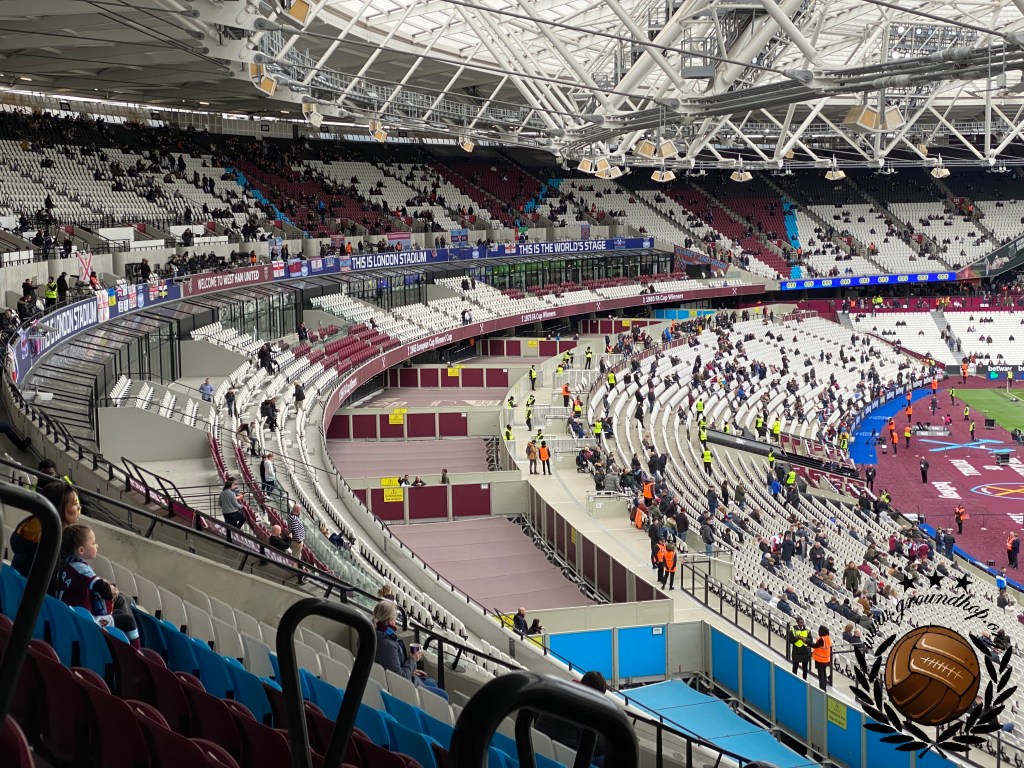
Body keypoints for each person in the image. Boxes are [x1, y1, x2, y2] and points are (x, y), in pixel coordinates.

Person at [52, 524, 141, 648]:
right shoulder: (80, 568)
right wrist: (111, 590)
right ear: (81, 550)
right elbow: (102, 588)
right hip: (84, 621)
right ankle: (137, 653)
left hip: (70, 616)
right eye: (93, 543)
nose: (97, 545)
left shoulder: (66, 565)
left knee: (119, 612)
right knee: (128, 621)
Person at [373, 599, 448, 700]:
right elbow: (400, 678)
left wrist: (412, 670)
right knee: (443, 695)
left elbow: (389, 666)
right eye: (395, 618)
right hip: (404, 690)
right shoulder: (387, 645)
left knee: (432, 683)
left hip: (391, 681)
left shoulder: (372, 634)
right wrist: (413, 659)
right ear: (390, 620)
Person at [10, 479, 82, 577]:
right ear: (58, 507)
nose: (79, 507)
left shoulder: (31, 529)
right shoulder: (47, 543)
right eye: (75, 504)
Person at [535, 671, 608, 766]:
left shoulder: (556, 695)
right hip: (571, 760)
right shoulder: (587, 712)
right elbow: (599, 748)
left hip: (542, 753)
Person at [811, 625, 832, 690]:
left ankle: (822, 689)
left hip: (820, 660)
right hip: (825, 659)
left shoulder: (822, 639)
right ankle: (824, 688)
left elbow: (815, 646)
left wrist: (806, 641)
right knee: (824, 674)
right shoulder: (827, 638)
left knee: (821, 676)